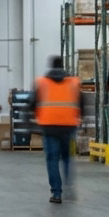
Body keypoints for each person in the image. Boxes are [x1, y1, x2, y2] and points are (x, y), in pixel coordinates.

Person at [34, 55, 84, 204]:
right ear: (63, 66)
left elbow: (33, 103)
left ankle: (56, 193)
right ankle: (69, 188)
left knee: (52, 160)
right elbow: (81, 103)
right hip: (69, 125)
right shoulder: (74, 82)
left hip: (49, 126)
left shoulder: (42, 83)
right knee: (67, 158)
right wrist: (80, 119)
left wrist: (35, 118)